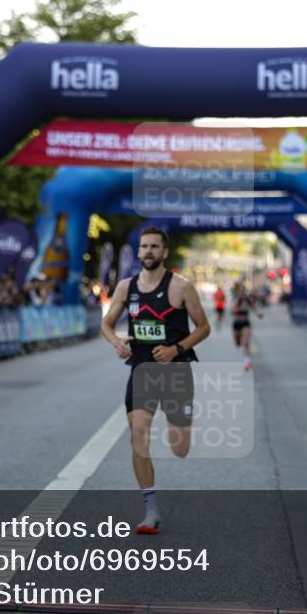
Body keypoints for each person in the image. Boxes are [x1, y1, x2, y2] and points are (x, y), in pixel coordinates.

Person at [100, 227, 210, 535]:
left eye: (154, 247)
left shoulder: (181, 287)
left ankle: (185, 416)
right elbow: (106, 324)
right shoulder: (126, 288)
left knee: (179, 447)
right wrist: (117, 342)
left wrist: (176, 349)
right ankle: (150, 511)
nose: (148, 251)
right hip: (142, 370)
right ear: (139, 252)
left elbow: (203, 327)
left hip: (176, 372)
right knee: (138, 434)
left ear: (164, 252)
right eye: (144, 246)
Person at [231, 282, 263, 371]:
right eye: (241, 291)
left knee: (246, 343)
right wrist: (238, 304)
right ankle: (239, 342)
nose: (242, 293)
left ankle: (247, 362)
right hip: (237, 323)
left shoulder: (248, 300)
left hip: (245, 323)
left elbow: (254, 307)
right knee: (238, 344)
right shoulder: (236, 300)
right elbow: (232, 312)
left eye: (244, 291)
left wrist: (259, 314)